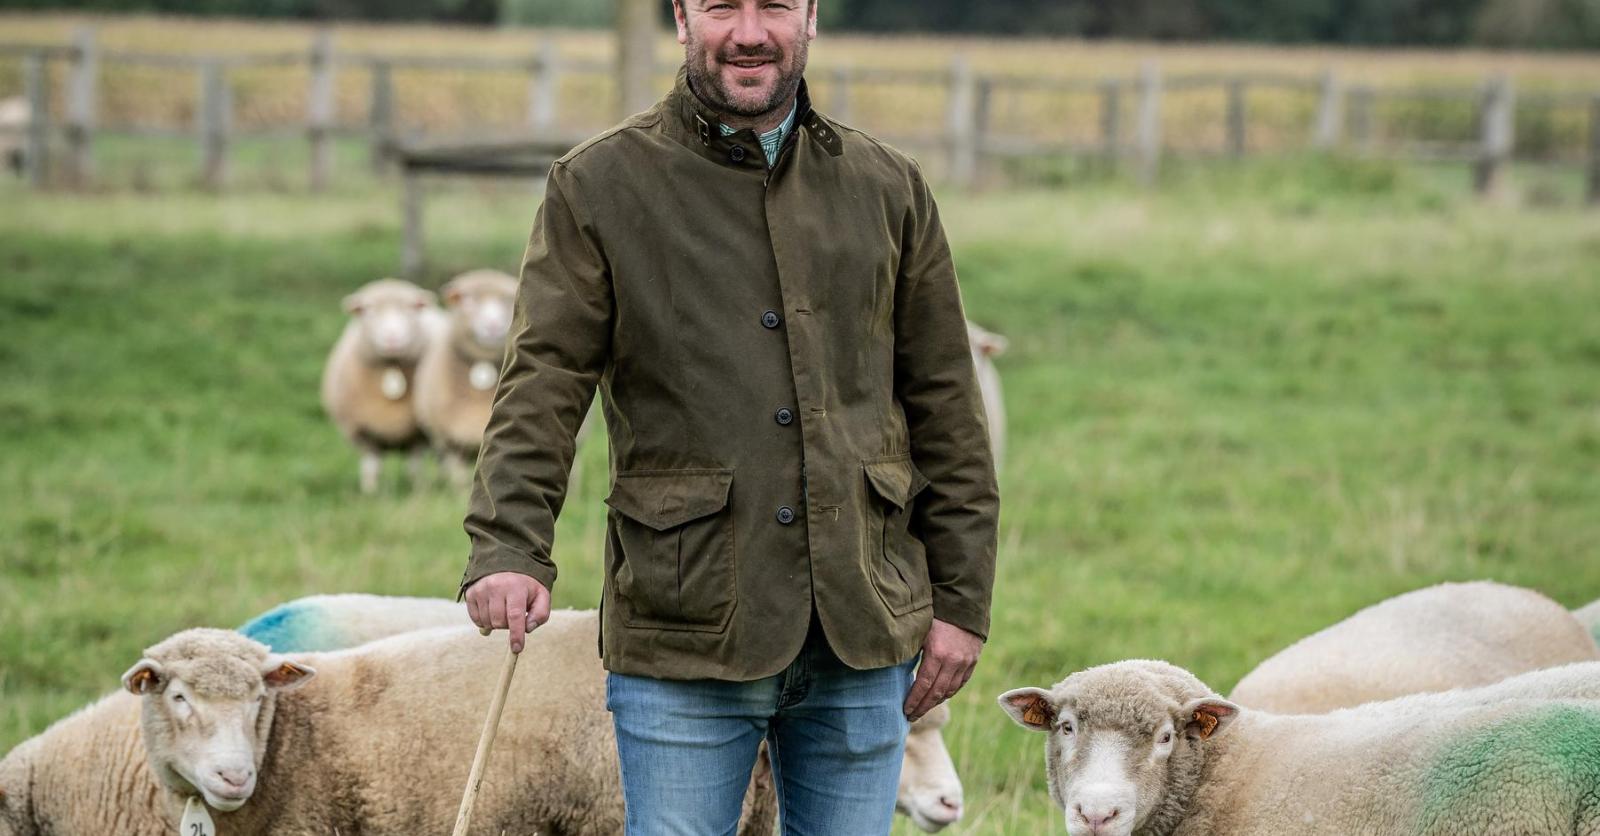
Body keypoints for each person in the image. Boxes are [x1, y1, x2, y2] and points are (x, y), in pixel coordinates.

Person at [458, 0, 998, 831]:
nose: (750, 31)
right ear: (682, 18)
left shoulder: (887, 187)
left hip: (861, 620)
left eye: (774, 5)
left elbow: (946, 408)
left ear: (810, 16)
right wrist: (507, 545)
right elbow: (543, 380)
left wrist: (960, 602)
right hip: (685, 621)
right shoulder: (599, 184)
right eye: (722, 6)